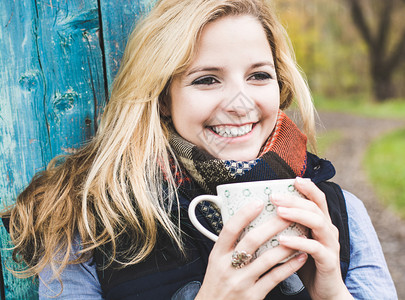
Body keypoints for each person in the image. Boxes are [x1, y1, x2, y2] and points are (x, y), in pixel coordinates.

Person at [4, 0, 397, 299]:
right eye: (207, 80)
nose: (242, 103)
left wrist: (332, 293)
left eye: (259, 75)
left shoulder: (340, 212)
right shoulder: (85, 221)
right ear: (161, 97)